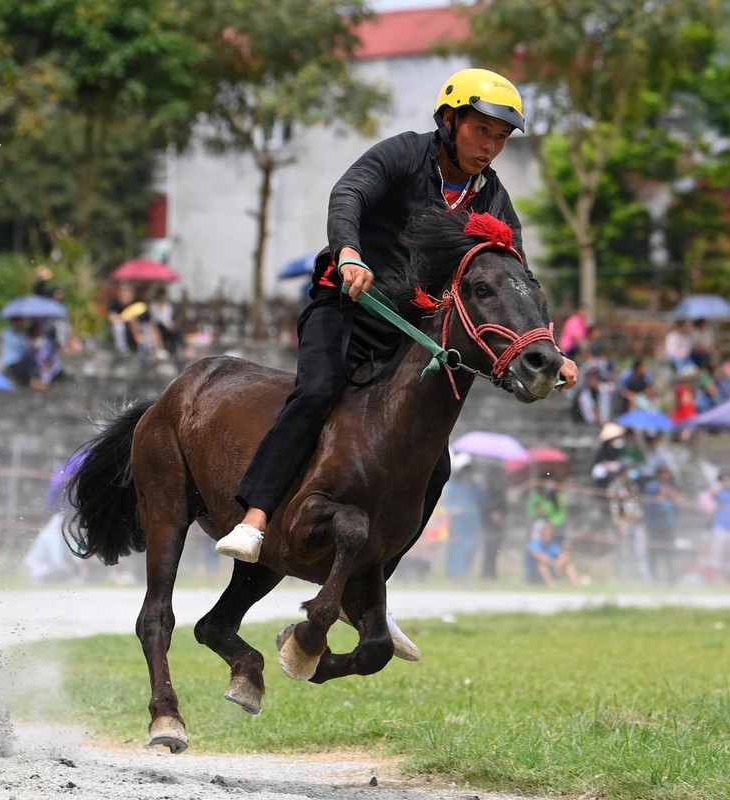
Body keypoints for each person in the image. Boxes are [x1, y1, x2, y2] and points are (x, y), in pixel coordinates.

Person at [213, 68, 580, 657]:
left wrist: (548, 347)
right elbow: (348, 194)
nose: (490, 145)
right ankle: (254, 519)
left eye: (500, 137)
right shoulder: (405, 155)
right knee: (316, 393)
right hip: (346, 306)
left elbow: (515, 275)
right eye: (481, 130)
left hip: (410, 333)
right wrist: (349, 251)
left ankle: (372, 591)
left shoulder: (491, 197)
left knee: (436, 465)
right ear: (450, 121)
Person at [528, 518, 581, 587]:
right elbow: (538, 556)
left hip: (552, 569)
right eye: (545, 531)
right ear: (541, 533)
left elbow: (564, 556)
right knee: (541, 565)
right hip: (535, 574)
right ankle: (552, 585)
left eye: (550, 531)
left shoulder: (553, 545)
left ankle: (576, 584)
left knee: (568, 565)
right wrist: (554, 563)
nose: (548, 533)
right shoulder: (534, 543)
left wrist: (560, 562)